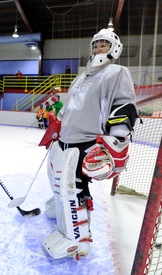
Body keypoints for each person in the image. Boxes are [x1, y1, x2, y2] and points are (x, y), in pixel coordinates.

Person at [39, 29, 138, 260]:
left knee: (74, 189)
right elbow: (70, 105)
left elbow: (125, 104)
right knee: (56, 181)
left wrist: (119, 136)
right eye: (96, 44)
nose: (99, 48)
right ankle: (60, 211)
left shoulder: (117, 72)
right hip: (64, 140)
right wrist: (57, 124)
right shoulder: (81, 76)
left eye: (104, 44)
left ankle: (79, 240)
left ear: (114, 49)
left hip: (86, 141)